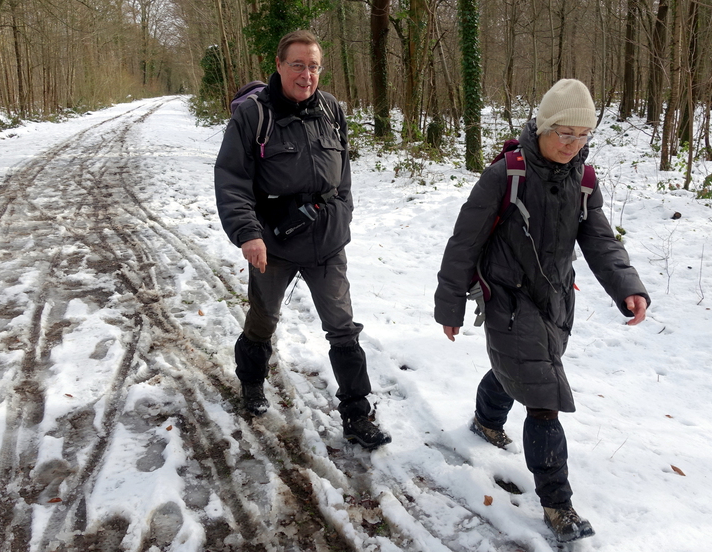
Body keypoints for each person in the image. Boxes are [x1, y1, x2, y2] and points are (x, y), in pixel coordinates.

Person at [434, 79, 650, 542]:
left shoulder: (583, 181)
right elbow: (464, 242)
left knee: (518, 372)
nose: (573, 145)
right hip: (508, 301)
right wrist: (449, 304)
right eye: (564, 134)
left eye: (583, 135)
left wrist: (628, 286)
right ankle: (557, 505)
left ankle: (486, 421)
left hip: (555, 302)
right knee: (543, 398)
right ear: (543, 126)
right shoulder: (506, 175)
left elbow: (599, 240)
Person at [214, 30, 391, 450]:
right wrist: (248, 233)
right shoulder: (253, 116)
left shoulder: (331, 109)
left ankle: (357, 414)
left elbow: (343, 175)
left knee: (343, 327)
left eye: (313, 66)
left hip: (326, 242)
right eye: (297, 65)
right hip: (273, 244)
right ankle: (252, 383)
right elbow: (232, 180)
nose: (306, 75)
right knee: (264, 319)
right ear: (278, 65)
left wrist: (342, 214)